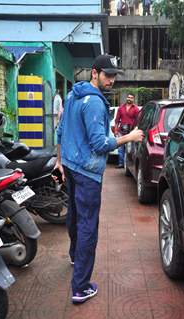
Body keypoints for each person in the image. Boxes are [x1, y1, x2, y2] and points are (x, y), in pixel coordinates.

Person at [55, 54, 144, 304]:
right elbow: (99, 144)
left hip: (71, 166)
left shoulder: (74, 94)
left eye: (114, 76)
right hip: (86, 173)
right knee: (88, 228)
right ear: (94, 73)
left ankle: (74, 255)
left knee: (74, 215)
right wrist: (130, 137)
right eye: (107, 75)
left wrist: (60, 161)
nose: (111, 80)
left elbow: (60, 131)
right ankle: (80, 287)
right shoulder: (94, 102)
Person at [114, 93, 140, 168]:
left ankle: (129, 164)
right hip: (121, 131)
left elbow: (137, 121)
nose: (129, 99)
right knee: (120, 148)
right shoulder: (121, 108)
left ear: (133, 99)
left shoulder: (136, 109)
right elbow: (117, 120)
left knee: (129, 149)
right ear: (126, 98)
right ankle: (121, 163)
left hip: (130, 132)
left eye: (131, 98)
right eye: (128, 97)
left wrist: (135, 130)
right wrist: (116, 130)